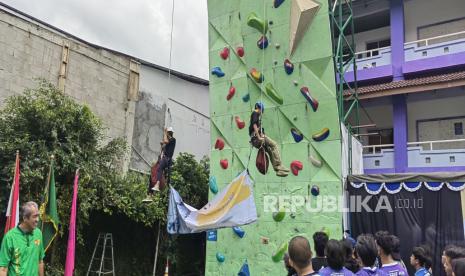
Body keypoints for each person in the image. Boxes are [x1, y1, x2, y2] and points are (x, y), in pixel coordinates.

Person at [0, 201, 45, 276]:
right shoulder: (10, 237)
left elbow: (40, 261)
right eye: (34, 216)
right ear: (25, 218)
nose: (37, 219)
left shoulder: (38, 234)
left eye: (38, 216)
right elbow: (3, 269)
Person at [249, 102, 289, 177]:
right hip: (258, 138)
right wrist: (259, 137)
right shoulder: (255, 113)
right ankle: (279, 165)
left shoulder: (255, 115)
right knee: (274, 145)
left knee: (270, 151)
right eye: (261, 111)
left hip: (255, 141)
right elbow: (254, 125)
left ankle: (278, 170)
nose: (261, 113)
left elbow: (254, 126)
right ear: (260, 109)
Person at [153, 126, 176, 192]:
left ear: (169, 133)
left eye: (167, 133)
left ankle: (158, 185)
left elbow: (165, 141)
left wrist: (165, 132)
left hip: (167, 159)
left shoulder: (173, 140)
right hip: (166, 160)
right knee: (162, 172)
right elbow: (164, 147)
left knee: (160, 169)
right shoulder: (169, 142)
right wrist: (162, 145)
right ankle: (162, 186)